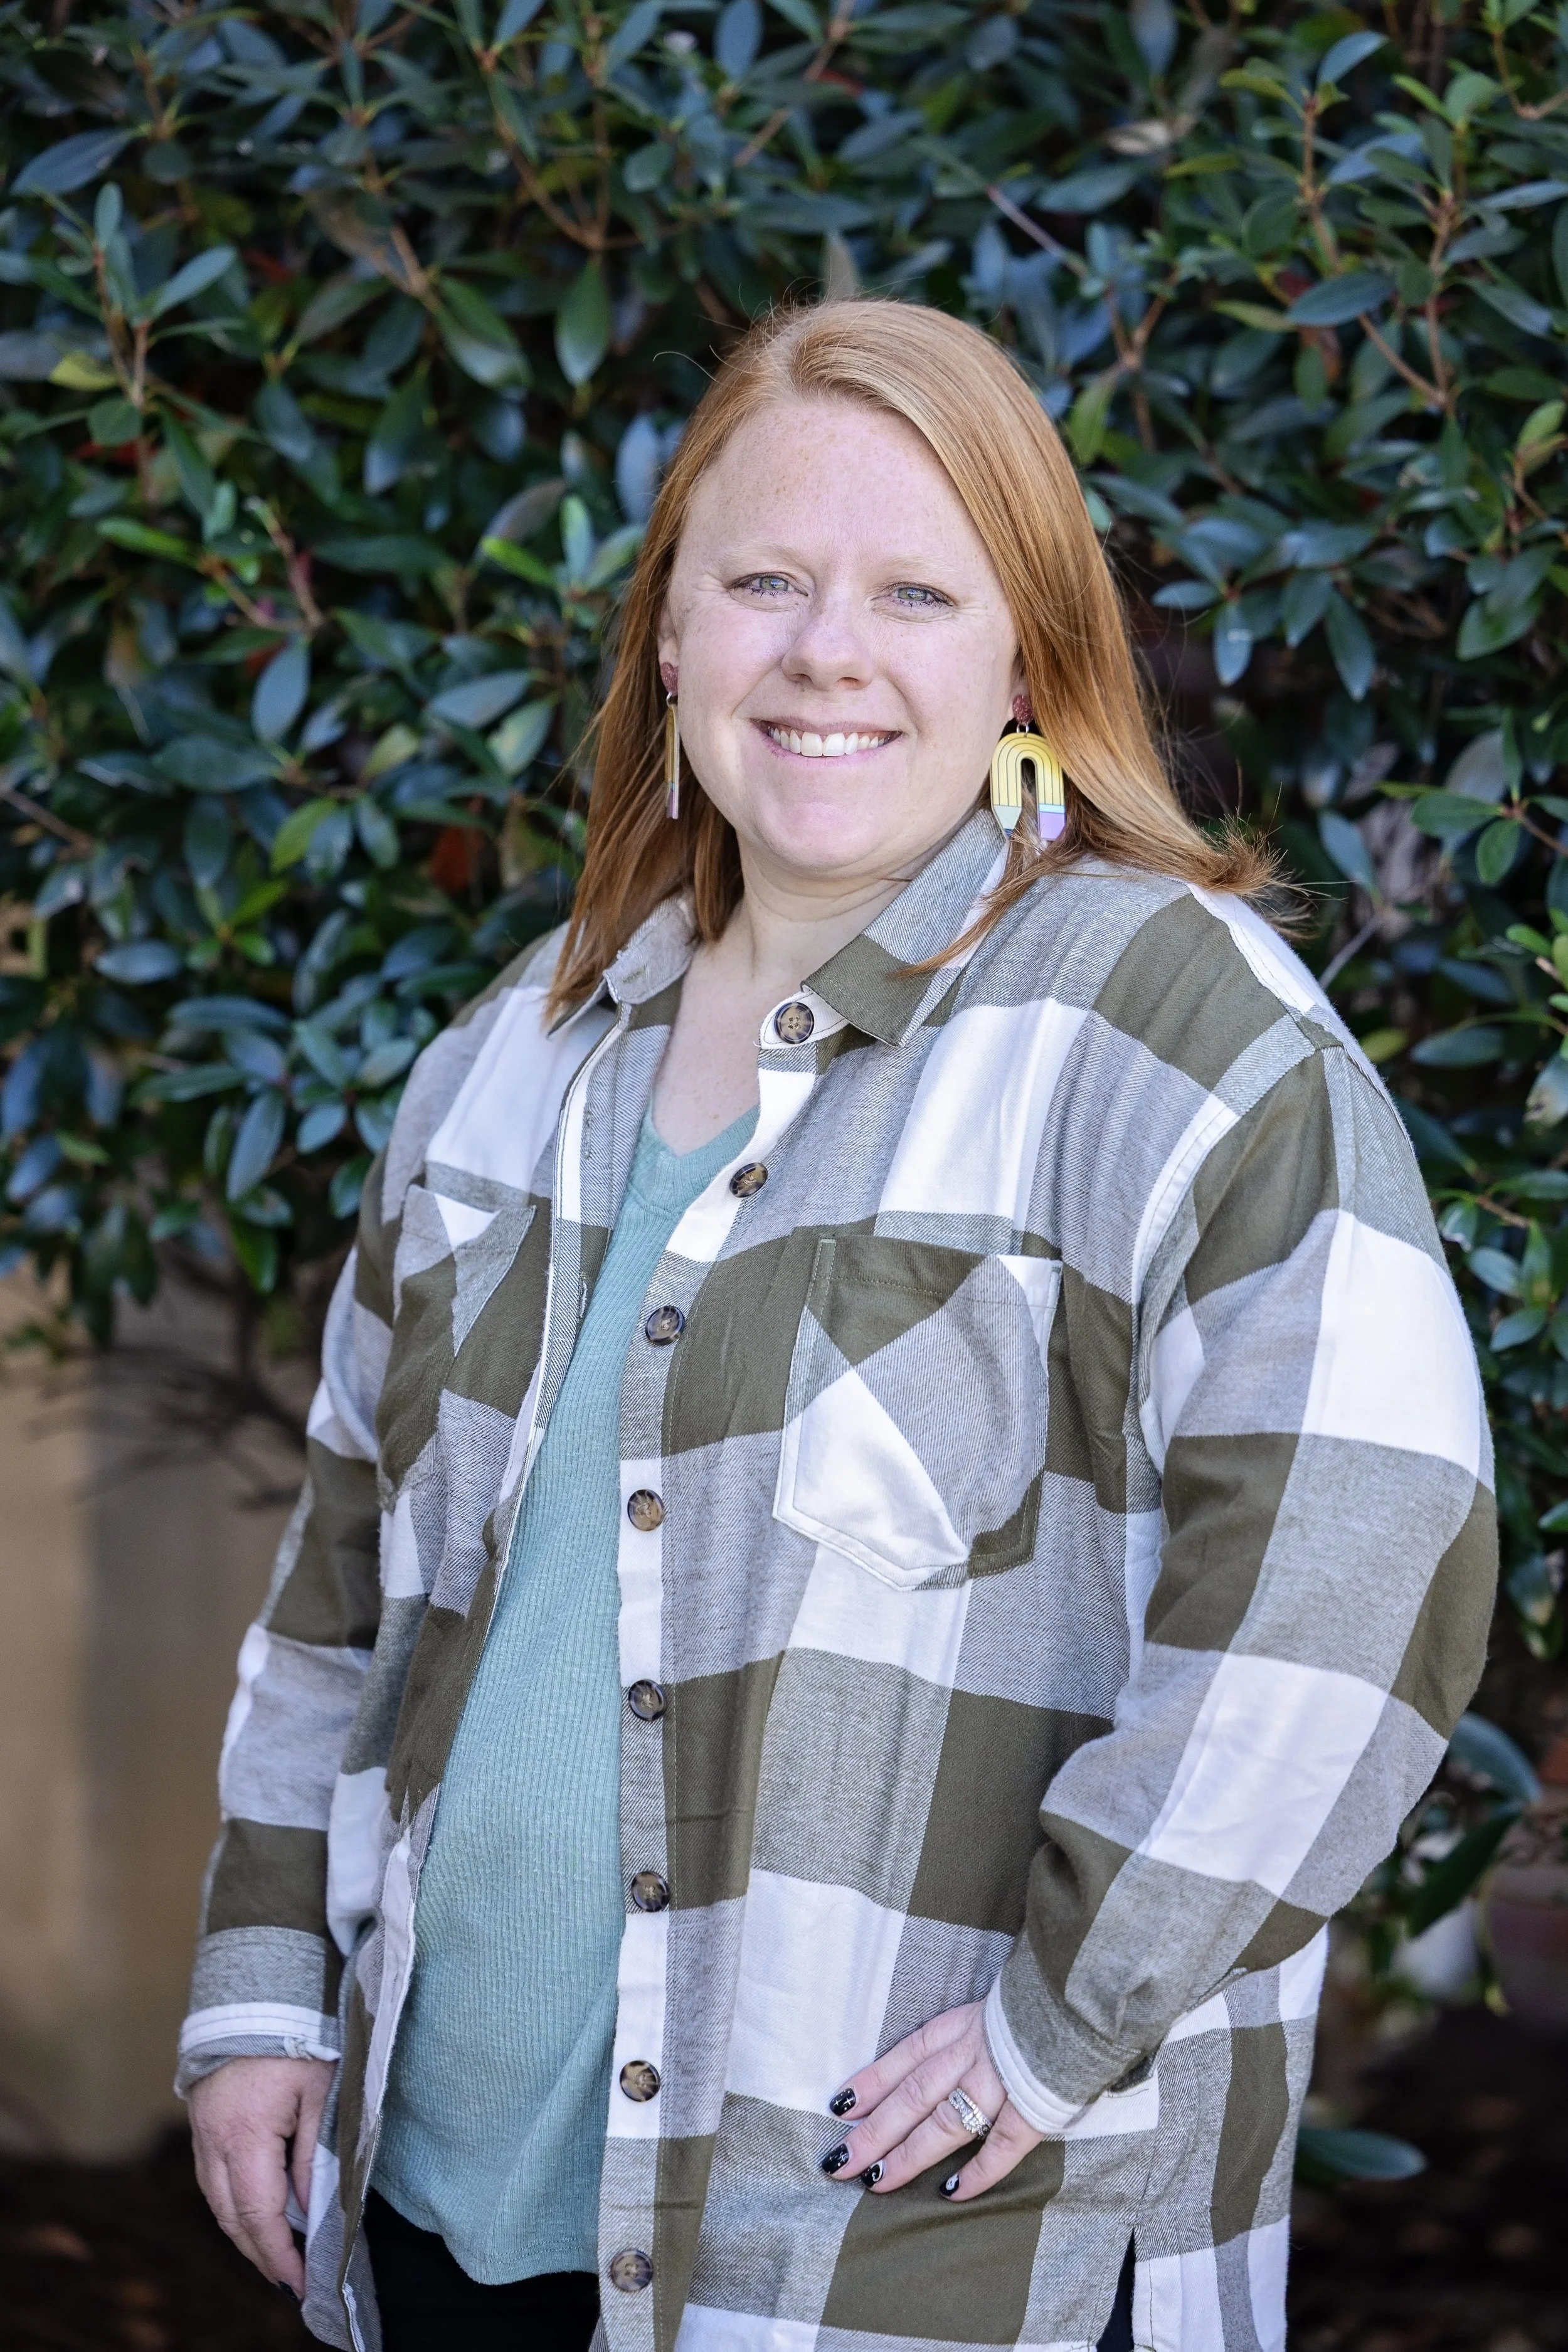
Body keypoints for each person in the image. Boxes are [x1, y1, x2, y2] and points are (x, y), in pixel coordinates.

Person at [182, 300, 1495, 2352]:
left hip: (909, 2264)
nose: (826, 652)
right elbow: (344, 1584)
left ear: (1025, 659)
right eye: (764, 582)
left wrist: (1070, 2018)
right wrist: (263, 1989)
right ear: (670, 635)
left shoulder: (1166, 1032)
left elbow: (1367, 1539)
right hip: (438, 2215)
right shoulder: (507, 1062)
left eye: (910, 590)